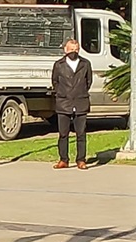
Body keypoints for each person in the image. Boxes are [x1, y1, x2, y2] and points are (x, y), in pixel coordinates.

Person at [51, 39, 93, 170]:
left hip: (81, 102)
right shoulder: (59, 65)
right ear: (65, 50)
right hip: (63, 102)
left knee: (81, 133)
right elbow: (55, 81)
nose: (73, 52)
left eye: (76, 50)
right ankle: (64, 160)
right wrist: (62, 93)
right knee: (63, 134)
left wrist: (80, 92)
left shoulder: (85, 64)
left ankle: (81, 160)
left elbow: (89, 81)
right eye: (71, 50)